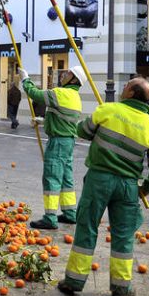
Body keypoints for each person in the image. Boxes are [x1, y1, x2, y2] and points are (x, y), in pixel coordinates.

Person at [57, 77, 149, 296]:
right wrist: (146, 189)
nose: (123, 88)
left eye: (127, 86)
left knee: (87, 227)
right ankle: (121, 288)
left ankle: (73, 281)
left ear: (130, 93)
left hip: (98, 180)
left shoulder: (107, 110)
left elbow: (83, 131)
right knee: (123, 235)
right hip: (128, 186)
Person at [19, 66, 86, 228]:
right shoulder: (75, 96)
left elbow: (35, 94)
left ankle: (50, 217)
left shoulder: (61, 93)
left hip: (58, 142)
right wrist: (44, 121)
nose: (64, 74)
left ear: (74, 79)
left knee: (52, 177)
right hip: (68, 141)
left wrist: (25, 79)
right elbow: (63, 118)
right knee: (65, 178)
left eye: (69, 73)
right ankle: (70, 213)